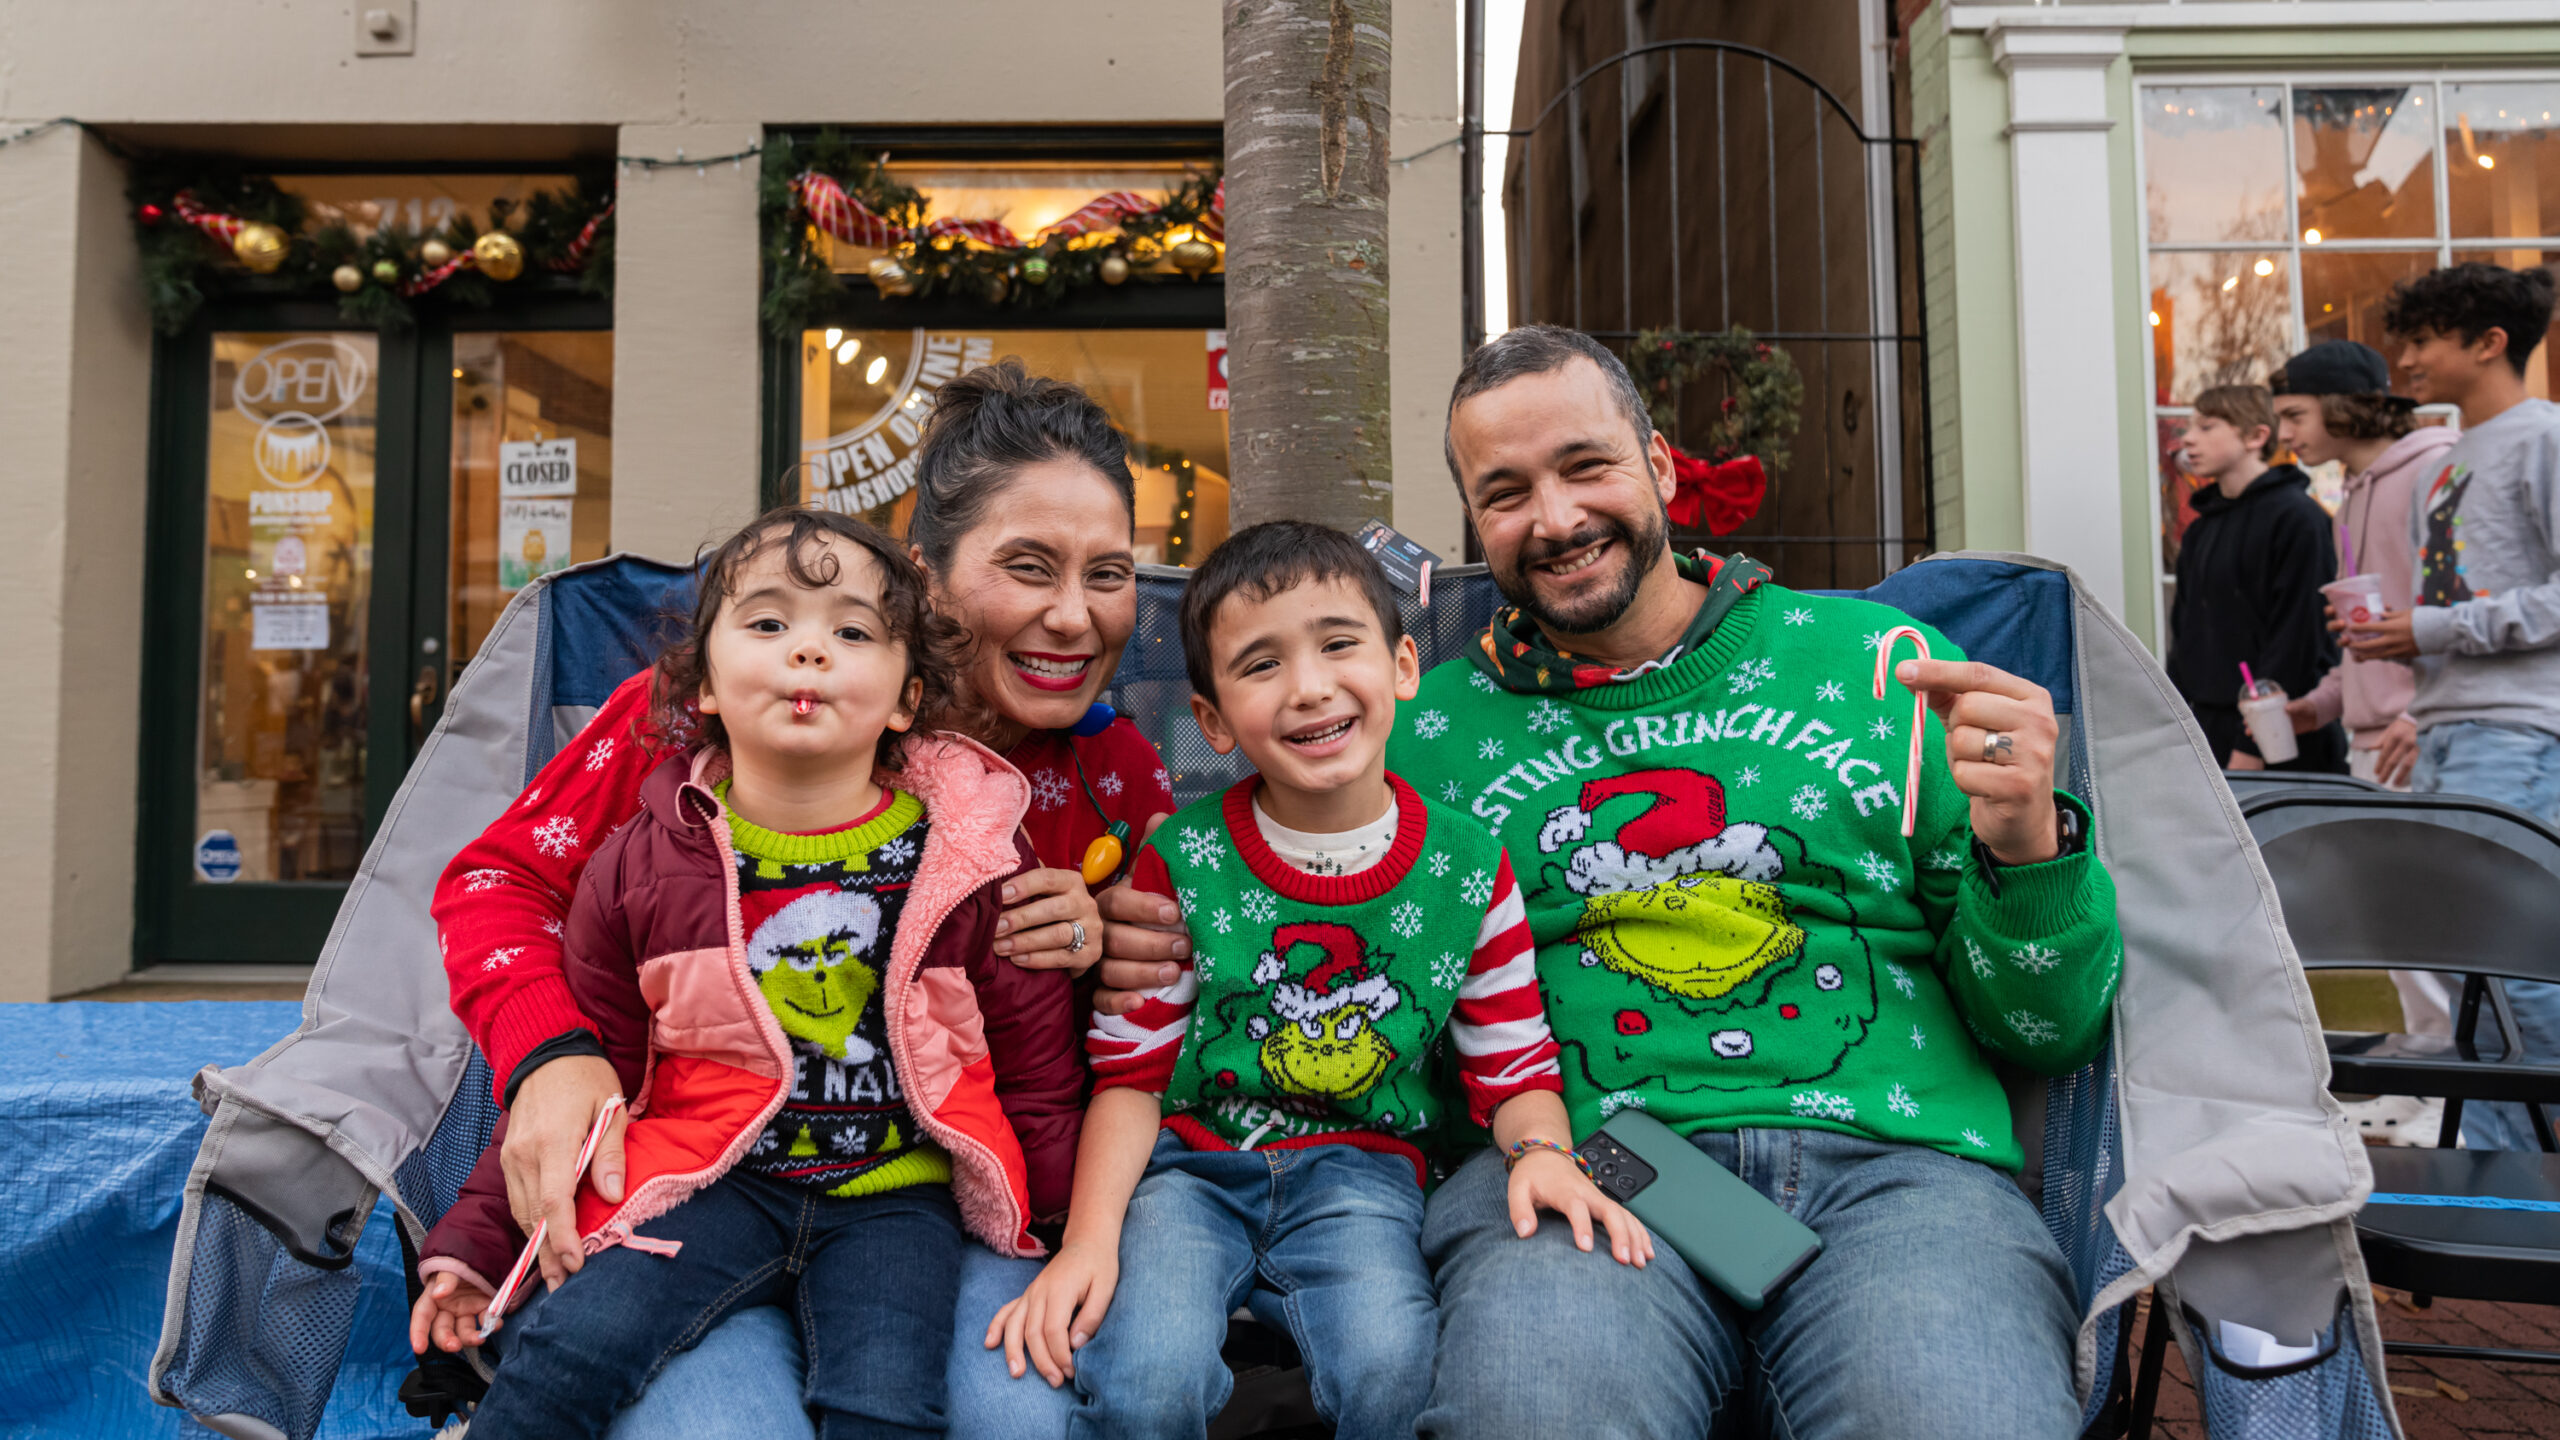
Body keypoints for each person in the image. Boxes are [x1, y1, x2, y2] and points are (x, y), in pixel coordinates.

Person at [1098, 325, 2125, 1438]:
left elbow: (2046, 1031)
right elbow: (1255, 903)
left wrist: (2026, 844)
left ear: (1661, 466)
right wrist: (1132, 919)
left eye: (1584, 466)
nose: (1553, 518)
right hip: (1584, 1161)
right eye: (1505, 492)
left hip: (1900, 1172)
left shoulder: (1883, 666)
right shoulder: (1408, 733)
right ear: (1475, 525)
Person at [425, 361, 1176, 1440]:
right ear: (923, 576)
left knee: (1008, 1422)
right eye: (1027, 566)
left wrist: (1119, 949)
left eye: (1108, 574)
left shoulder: (1113, 772)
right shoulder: (711, 714)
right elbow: (496, 883)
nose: (1073, 615)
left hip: (933, 1211)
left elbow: (1159, 1026)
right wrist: (554, 1054)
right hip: (699, 1179)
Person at [988, 522, 1649, 1438]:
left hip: (1363, 1178)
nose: (1309, 688)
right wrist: (1090, 1243)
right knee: (1144, 1377)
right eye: (1261, 666)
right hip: (1189, 1171)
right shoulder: (1183, 860)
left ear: (1404, 665)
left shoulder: (1469, 869)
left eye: (1340, 644)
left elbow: (1515, 1071)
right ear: (1212, 719)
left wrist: (1543, 1156)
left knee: (1396, 1374)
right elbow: (1132, 1079)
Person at [2350, 262, 2560, 1150]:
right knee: (2469, 959)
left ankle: (2534, 1160)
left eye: (2427, 339)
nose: (2408, 358)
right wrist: (2408, 639)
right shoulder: (2453, 457)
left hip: (2514, 731)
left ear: (2489, 342)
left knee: (2519, 961)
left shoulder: (2542, 437)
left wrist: (2433, 628)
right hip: (2450, 728)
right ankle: (2500, 1152)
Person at [2272, 340, 2453, 791]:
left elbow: (2464, 613)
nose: (2283, 435)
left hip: (2429, 739)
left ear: (2343, 406)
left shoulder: (2433, 471)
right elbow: (2366, 641)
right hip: (2373, 747)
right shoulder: (2348, 502)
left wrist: (2421, 715)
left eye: (2295, 416)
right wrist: (2319, 706)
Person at [2166, 383, 2349, 773]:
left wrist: (2254, 746)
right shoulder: (2201, 529)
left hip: (2283, 745)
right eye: (2190, 428)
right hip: (2206, 737)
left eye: (2208, 426)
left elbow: (2298, 639)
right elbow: (2185, 637)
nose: (2189, 440)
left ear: (2256, 436)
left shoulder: (2298, 520)